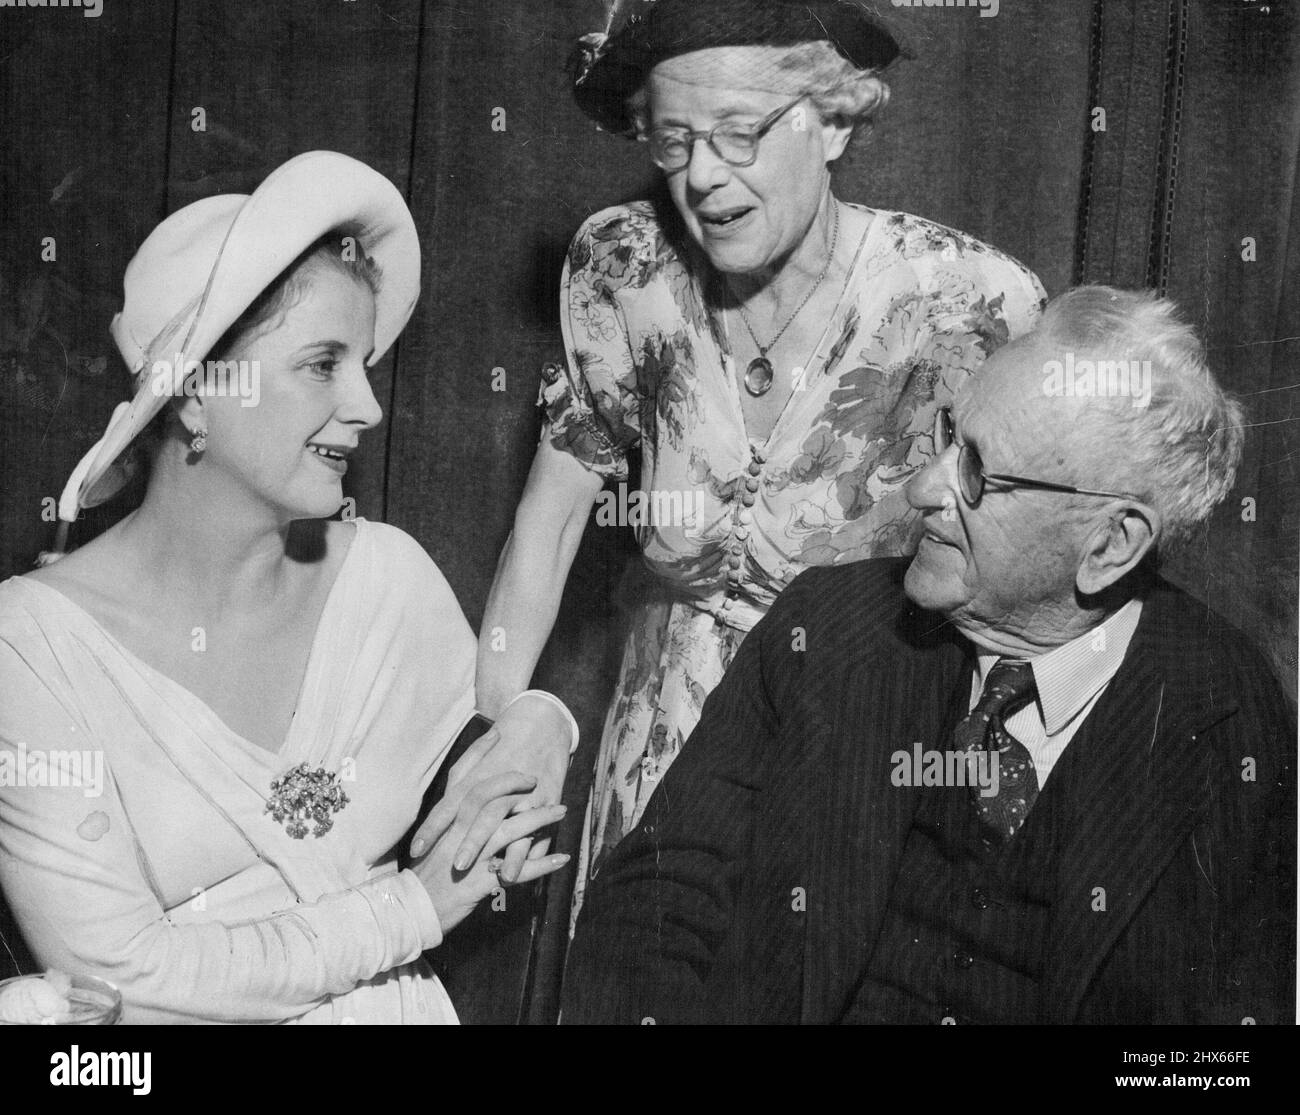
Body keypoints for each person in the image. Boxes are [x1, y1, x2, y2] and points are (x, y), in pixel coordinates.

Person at [562, 286, 1296, 1025]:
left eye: (978, 471)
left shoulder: (1229, 723)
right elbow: (653, 904)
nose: (921, 487)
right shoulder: (827, 626)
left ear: (1109, 544)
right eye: (950, 433)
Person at [476, 0, 1047, 919]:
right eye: (673, 140)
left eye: (740, 133)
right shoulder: (623, 270)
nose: (703, 176)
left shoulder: (970, 302)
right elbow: (542, 536)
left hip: (861, 795)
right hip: (653, 780)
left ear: (833, 121)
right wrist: (492, 736)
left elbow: (1031, 590)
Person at [0, 152, 576, 1024]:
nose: (368, 407)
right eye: (322, 364)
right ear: (196, 393)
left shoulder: (386, 575)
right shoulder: (30, 648)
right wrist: (410, 908)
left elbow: (494, 766)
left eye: (366, 364)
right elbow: (115, 986)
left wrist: (543, 720)